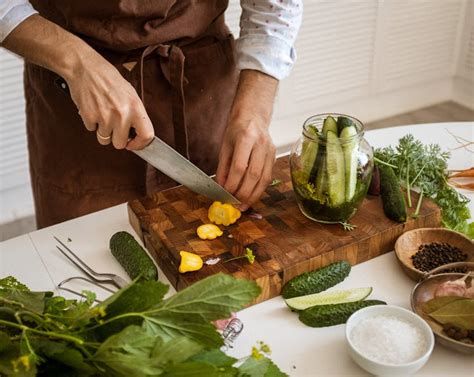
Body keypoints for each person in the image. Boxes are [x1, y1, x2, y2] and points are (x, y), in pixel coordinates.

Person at [0, 1, 302, 228]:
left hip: (202, 91)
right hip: (73, 103)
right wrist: (76, 63)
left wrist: (254, 111)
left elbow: (274, 6)